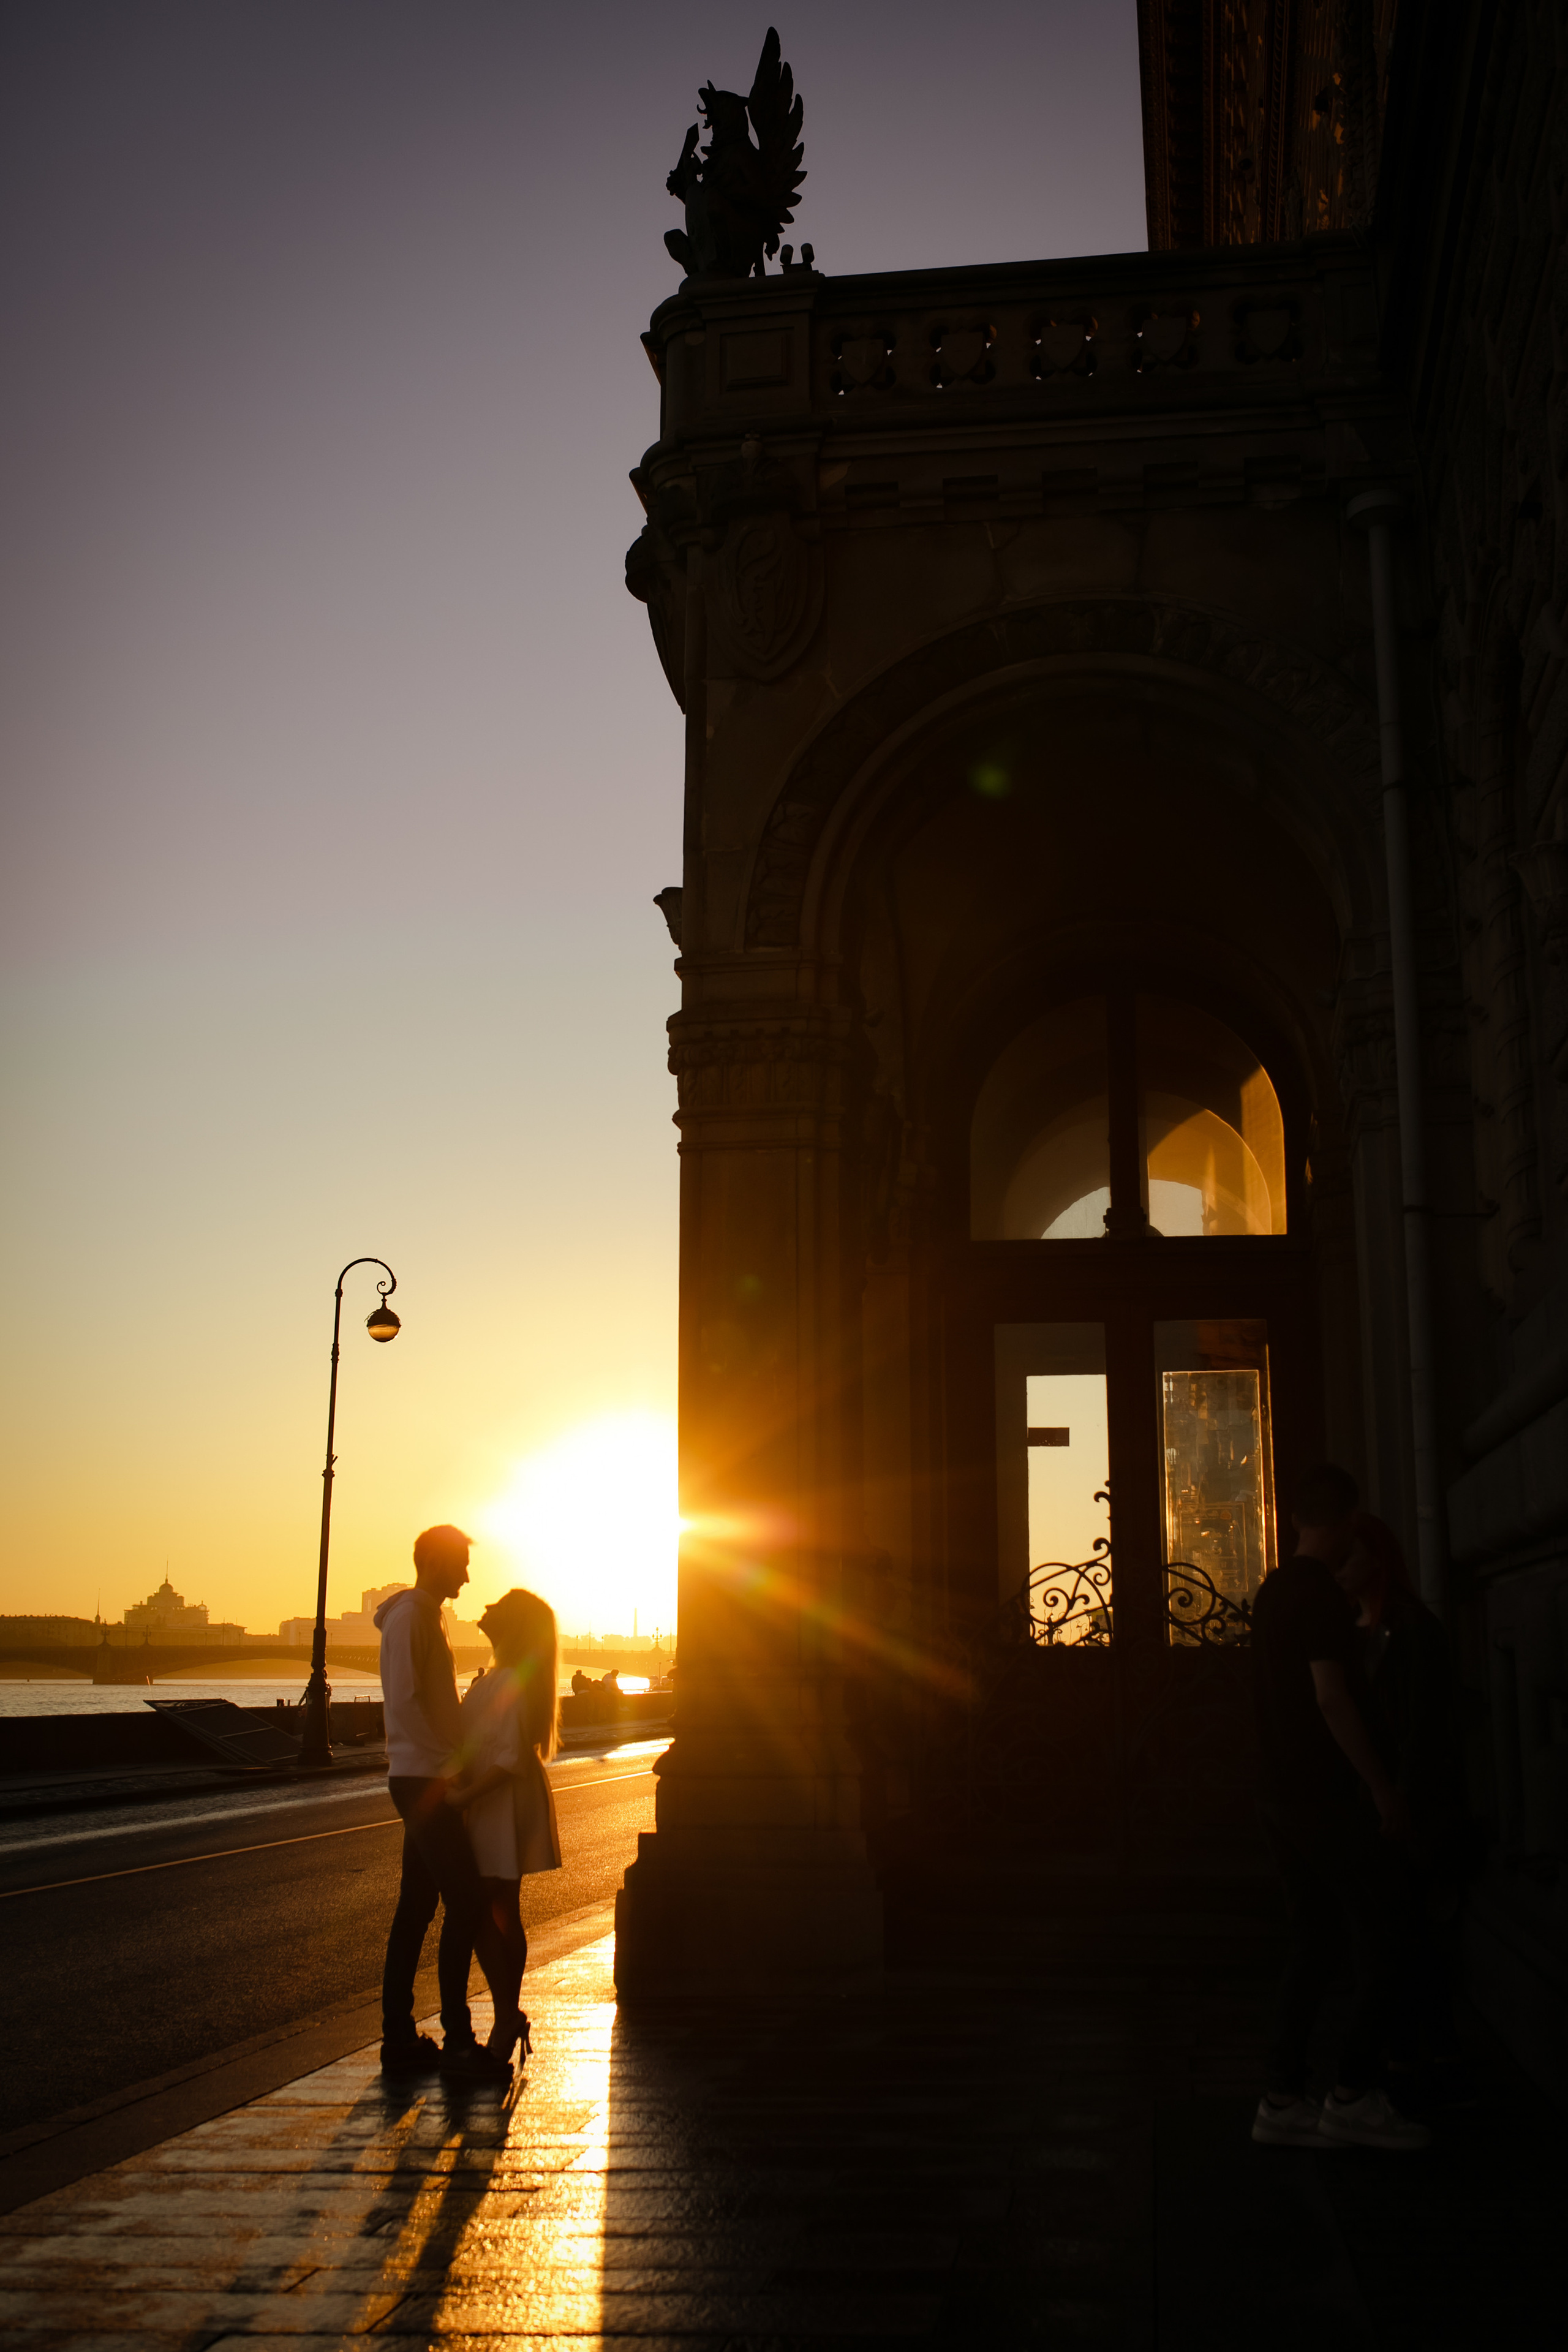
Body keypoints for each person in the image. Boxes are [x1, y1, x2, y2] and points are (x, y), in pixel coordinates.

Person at [1249, 1463, 1430, 2152]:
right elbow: (1330, 1696)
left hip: (1276, 1792)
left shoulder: (1272, 1591)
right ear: (1349, 1521)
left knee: (1313, 1942)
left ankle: (1283, 2096)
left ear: (1294, 1518)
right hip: (1322, 1795)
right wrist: (1382, 1786)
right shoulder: (1320, 1598)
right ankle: (1352, 2092)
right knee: (1387, 1930)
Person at [1334, 1510, 1470, 2101]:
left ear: (1378, 1559)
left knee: (1409, 1938)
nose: (1340, 1567)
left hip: (1406, 1806)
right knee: (1387, 1937)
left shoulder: (1412, 1628)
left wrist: (1403, 1798)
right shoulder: (1351, 1629)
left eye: (1350, 1555)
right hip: (1373, 1805)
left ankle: (1422, 2060)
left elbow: (1424, 1728)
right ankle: (1406, 2057)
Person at [375, 1525, 514, 2082]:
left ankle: (399, 2038)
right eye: (460, 1562)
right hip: (424, 1780)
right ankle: (457, 2040)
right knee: (468, 1900)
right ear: (432, 1559)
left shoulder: (423, 1615)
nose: (466, 1574)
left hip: (419, 1775)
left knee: (416, 1910)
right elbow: (409, 1703)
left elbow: (427, 1700)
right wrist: (451, 1768)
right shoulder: (413, 1616)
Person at [445, 1587, 563, 2064]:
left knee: (485, 1909)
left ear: (511, 1624)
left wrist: (461, 1799)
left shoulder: (509, 1680)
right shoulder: (496, 1678)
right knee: (494, 1908)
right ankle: (507, 2015)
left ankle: (506, 2015)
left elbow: (510, 1759)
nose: (486, 1607)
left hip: (501, 1802)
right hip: (494, 1801)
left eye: (497, 1605)